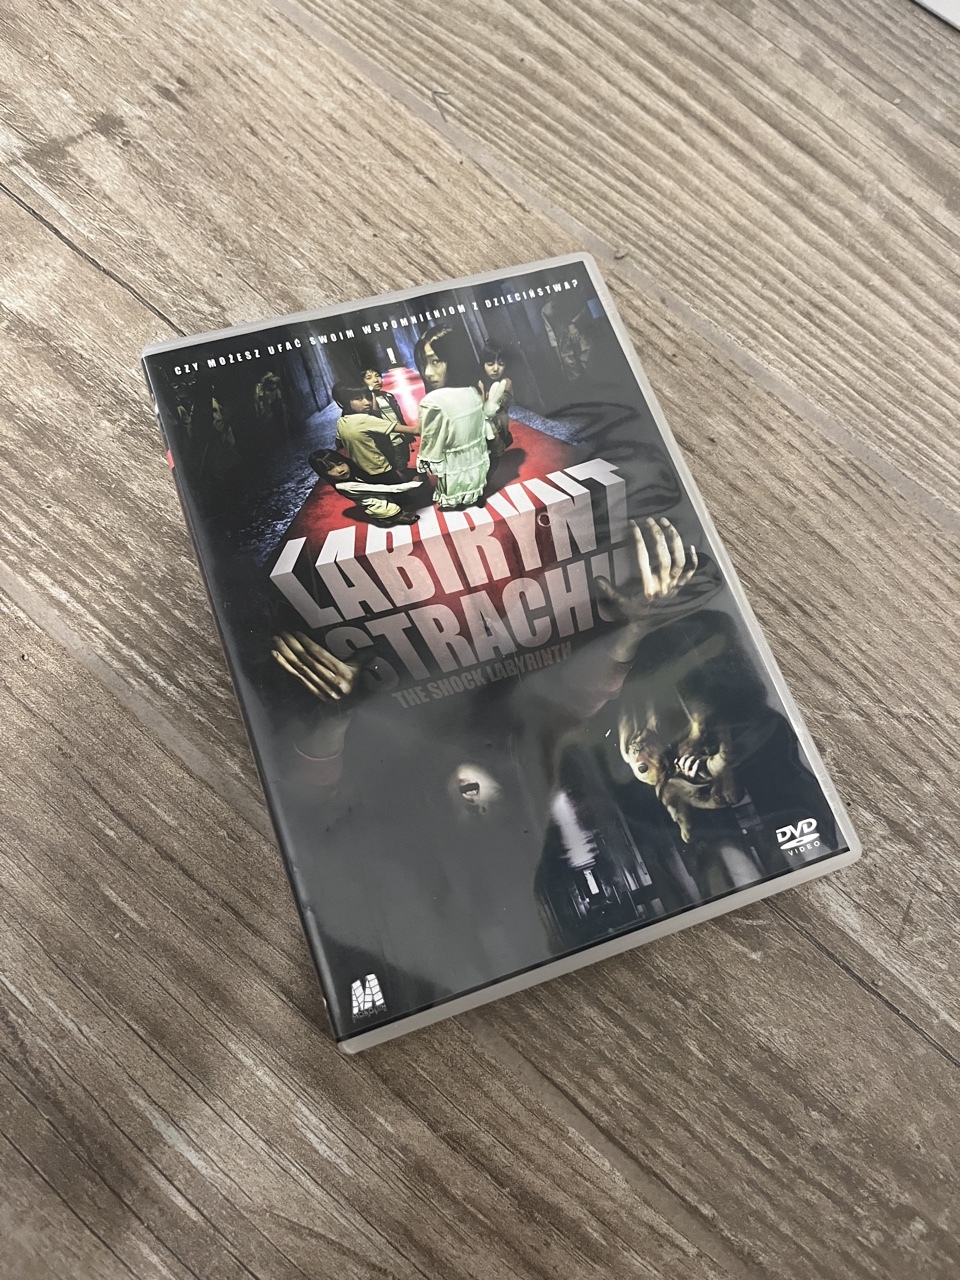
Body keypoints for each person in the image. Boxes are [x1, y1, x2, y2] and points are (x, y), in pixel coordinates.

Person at [413, 324, 505, 510]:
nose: (428, 372)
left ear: (454, 359)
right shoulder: (472, 390)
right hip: (479, 459)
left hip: (456, 466)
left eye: (436, 361)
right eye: (424, 363)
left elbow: (431, 444)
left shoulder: (433, 401)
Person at [307, 448, 424, 526]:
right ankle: (389, 517)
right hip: (380, 507)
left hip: (382, 499)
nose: (339, 470)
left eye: (340, 463)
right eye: (330, 469)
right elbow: (387, 489)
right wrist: (414, 484)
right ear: (323, 474)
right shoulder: (345, 486)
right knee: (398, 513)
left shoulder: (352, 474)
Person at [332, 382, 415, 480]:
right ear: (341, 403)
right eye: (358, 399)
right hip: (382, 469)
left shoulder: (341, 421)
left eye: (368, 398)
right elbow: (413, 430)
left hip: (364, 471)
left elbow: (338, 443)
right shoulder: (366, 420)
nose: (367, 402)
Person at [476, 342, 513, 461]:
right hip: (481, 424)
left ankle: (501, 440)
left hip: (499, 422)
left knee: (501, 415)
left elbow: (501, 406)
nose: (496, 369)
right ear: (483, 364)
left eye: (501, 364)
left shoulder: (506, 381)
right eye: (490, 364)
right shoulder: (480, 382)